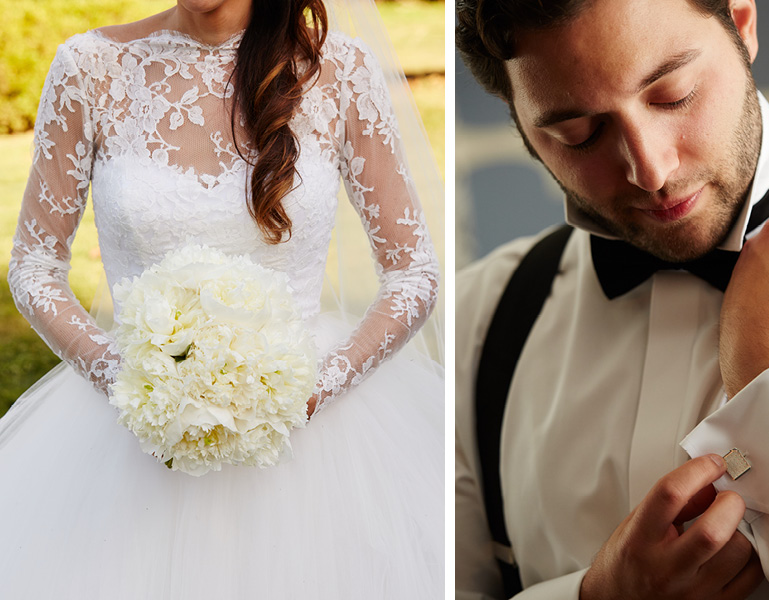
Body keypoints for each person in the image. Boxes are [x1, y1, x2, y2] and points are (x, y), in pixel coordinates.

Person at [455, 0, 769, 598]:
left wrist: (767, 368)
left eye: (673, 94)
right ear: (521, 123)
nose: (650, 169)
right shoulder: (476, 322)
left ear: (742, 24)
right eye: (578, 134)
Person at [0, 0, 443, 597]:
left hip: (312, 448)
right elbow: (34, 265)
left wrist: (312, 390)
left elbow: (413, 273)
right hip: (126, 440)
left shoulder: (340, 71)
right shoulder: (90, 68)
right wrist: (129, 379)